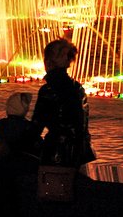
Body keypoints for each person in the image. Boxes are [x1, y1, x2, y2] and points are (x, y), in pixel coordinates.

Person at [32, 38, 96, 170]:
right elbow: (81, 124)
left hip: (56, 152)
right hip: (79, 152)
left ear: (48, 62)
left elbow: (36, 126)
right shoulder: (78, 88)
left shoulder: (48, 90)